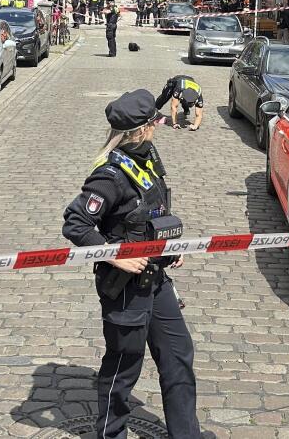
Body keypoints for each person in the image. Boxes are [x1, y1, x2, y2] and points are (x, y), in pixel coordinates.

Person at [62, 89, 200, 439]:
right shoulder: (110, 176)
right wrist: (114, 253)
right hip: (125, 289)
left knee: (178, 352)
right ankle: (110, 434)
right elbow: (75, 223)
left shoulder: (147, 158)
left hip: (157, 279)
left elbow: (150, 216)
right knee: (124, 365)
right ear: (139, 130)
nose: (158, 127)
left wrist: (169, 248)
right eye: (154, 123)